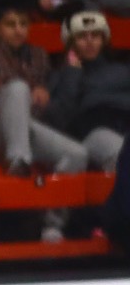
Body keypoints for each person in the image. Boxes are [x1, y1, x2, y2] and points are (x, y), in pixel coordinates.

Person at [0, 4, 86, 238]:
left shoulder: (39, 56)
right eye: (11, 25)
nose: (18, 30)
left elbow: (46, 109)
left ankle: (52, 224)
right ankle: (18, 162)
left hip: (25, 129)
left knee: (77, 154)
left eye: (23, 24)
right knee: (18, 89)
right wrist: (32, 97)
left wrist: (43, 98)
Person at [44, 9, 130, 173]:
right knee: (123, 156)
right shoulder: (59, 77)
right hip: (93, 134)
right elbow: (62, 120)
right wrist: (72, 73)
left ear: (103, 40)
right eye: (82, 37)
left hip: (125, 125)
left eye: (95, 36)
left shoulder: (123, 71)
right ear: (71, 42)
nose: (89, 42)